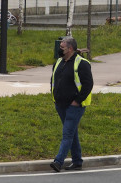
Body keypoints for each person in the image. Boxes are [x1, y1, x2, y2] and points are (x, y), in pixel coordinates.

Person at [50, 36, 93, 172]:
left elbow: (88, 84)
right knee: (72, 132)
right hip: (60, 104)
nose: (59, 49)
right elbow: (54, 80)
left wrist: (77, 101)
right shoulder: (59, 62)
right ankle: (77, 161)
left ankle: (58, 161)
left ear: (70, 49)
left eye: (62, 48)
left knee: (67, 133)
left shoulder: (82, 63)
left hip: (74, 106)